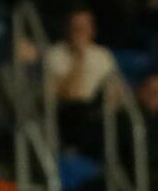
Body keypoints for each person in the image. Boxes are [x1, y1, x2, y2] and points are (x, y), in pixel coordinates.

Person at [44, 8, 121, 154]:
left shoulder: (103, 55)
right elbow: (68, 94)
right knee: (80, 112)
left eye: (84, 26)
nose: (80, 31)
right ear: (67, 29)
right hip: (68, 112)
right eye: (76, 27)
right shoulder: (54, 55)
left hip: (99, 112)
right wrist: (79, 58)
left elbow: (115, 90)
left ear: (92, 29)